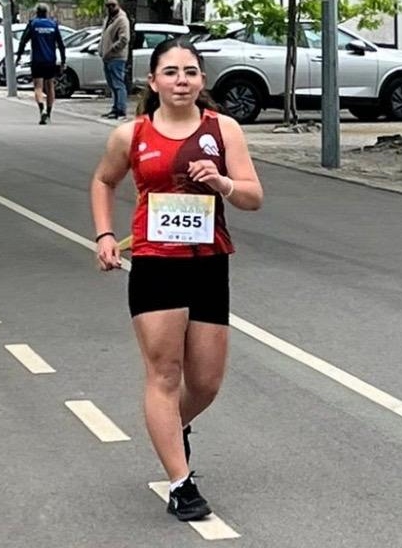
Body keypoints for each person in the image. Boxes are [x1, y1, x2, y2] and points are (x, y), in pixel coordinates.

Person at [89, 37, 263, 522]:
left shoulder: (222, 129)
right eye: (171, 72)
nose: (181, 81)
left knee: (205, 382)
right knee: (164, 374)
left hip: (209, 261)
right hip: (155, 263)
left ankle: (169, 426)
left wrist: (223, 182)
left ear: (202, 79)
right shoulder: (131, 135)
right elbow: (104, 181)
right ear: (153, 81)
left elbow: (253, 197)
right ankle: (181, 484)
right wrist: (105, 234)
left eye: (190, 72)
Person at [15, 4, 66, 125]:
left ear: (36, 12)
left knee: (38, 87)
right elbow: (61, 44)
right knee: (50, 87)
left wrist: (19, 56)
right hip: (50, 60)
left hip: (37, 60)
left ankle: (41, 109)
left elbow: (23, 41)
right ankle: (48, 113)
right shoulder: (53, 25)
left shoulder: (33, 24)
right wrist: (63, 60)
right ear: (47, 12)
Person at [99, 0, 130, 120]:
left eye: (113, 5)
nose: (110, 8)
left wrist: (112, 49)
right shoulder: (108, 19)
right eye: (108, 6)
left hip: (117, 57)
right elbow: (104, 36)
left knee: (118, 84)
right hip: (107, 57)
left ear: (118, 5)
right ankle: (115, 108)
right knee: (112, 84)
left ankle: (121, 110)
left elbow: (124, 39)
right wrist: (101, 49)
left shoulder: (122, 19)